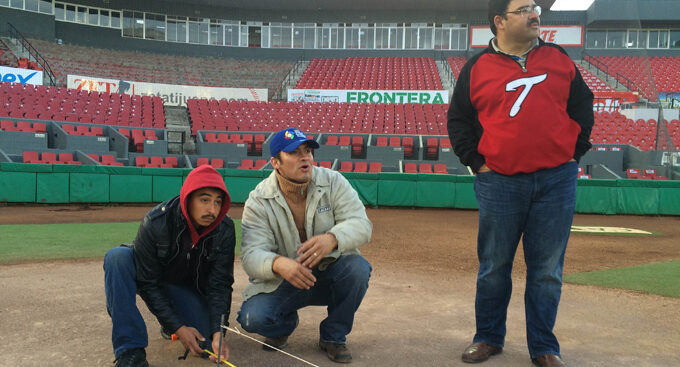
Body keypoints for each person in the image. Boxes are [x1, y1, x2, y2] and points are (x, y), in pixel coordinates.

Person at [447, 1, 594, 366]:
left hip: (556, 180)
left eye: (536, 7)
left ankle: (544, 347)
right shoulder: (477, 67)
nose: (535, 14)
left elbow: (583, 106)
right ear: (500, 21)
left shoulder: (559, 58)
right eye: (524, 8)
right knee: (495, 265)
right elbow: (458, 121)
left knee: (546, 271)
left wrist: (574, 154)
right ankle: (488, 338)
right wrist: (478, 163)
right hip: (499, 182)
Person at [237, 127, 372, 364]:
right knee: (252, 318)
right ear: (275, 162)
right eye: (294, 152)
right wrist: (278, 264)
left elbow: (362, 224)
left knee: (358, 269)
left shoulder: (333, 181)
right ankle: (283, 327)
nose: (305, 157)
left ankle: (333, 336)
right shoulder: (258, 200)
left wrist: (333, 237)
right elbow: (250, 254)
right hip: (284, 280)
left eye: (308, 151)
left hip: (328, 273)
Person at [103, 165, 236, 367]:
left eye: (218, 202)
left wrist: (219, 331)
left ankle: (170, 324)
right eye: (205, 200)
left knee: (205, 344)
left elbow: (220, 284)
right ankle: (130, 350)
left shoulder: (225, 228)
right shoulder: (156, 221)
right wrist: (179, 327)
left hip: (184, 287)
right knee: (117, 258)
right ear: (188, 198)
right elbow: (148, 283)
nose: (212, 210)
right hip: (151, 275)